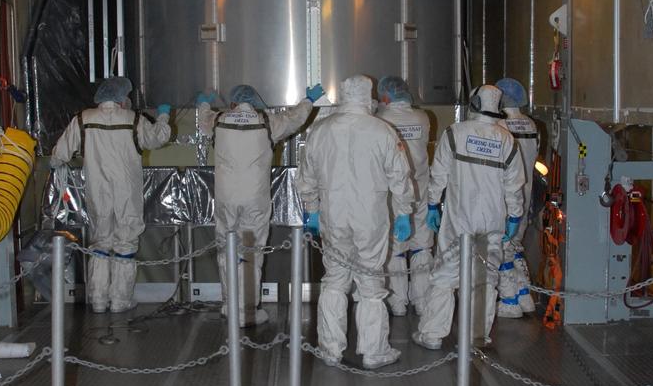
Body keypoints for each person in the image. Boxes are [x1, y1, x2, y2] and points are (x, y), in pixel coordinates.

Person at [296, 74, 414, 369]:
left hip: (333, 217)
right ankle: (374, 351)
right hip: (370, 219)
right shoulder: (382, 131)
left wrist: (312, 210)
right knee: (371, 282)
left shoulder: (320, 130)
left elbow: (306, 177)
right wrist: (403, 212)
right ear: (368, 95)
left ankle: (330, 349)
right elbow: (400, 177)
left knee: (335, 280)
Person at [197, 82, 322, 325]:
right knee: (250, 253)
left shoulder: (219, 120)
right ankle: (248, 311)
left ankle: (230, 305)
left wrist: (203, 102)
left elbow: (203, 119)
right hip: (255, 198)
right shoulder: (267, 122)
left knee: (226, 249)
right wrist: (308, 100)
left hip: (226, 198)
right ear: (254, 102)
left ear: (233, 103)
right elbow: (295, 119)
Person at [413, 84, 525, 350]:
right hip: (492, 222)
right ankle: (476, 336)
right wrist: (514, 217)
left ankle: (432, 334)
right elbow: (514, 186)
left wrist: (432, 205)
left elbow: (438, 174)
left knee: (444, 276)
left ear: (474, 104)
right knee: (485, 280)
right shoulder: (507, 140)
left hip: (458, 220)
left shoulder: (455, 133)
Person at [50, 77, 171, 313]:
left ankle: (97, 300)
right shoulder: (133, 119)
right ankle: (120, 301)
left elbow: (60, 153)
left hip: (97, 190)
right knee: (126, 241)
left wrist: (55, 163)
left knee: (100, 242)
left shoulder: (83, 119)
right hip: (127, 190)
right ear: (122, 99)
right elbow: (157, 139)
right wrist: (164, 117)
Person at [376, 75, 434, 316]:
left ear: (385, 96)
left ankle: (398, 302)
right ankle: (422, 302)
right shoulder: (422, 118)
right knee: (422, 245)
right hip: (420, 189)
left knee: (396, 247)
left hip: (394, 193)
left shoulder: (380, 121)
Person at [495, 77, 539, 317]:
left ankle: (509, 301)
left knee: (503, 250)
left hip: (506, 197)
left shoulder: (500, 126)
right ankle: (525, 295)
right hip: (526, 194)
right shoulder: (531, 125)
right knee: (515, 246)